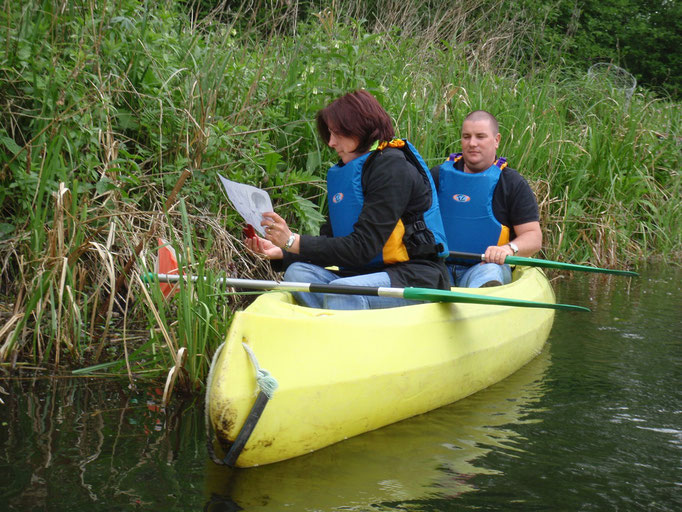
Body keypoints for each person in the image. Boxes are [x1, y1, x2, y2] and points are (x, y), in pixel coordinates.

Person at [245, 89, 450, 310]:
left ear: (360, 129)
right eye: (330, 134)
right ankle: (336, 319)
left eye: (337, 133)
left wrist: (292, 241)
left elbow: (363, 247)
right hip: (360, 275)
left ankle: (340, 330)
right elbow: (332, 242)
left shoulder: (392, 167)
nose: (331, 142)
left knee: (342, 292)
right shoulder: (348, 173)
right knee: (297, 274)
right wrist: (282, 252)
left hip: (414, 275)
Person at [430, 110, 542, 288]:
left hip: (483, 266)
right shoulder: (436, 176)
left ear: (496, 140)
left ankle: (481, 304)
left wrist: (507, 249)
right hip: (440, 266)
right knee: (423, 272)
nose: (472, 143)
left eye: (480, 137)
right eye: (466, 137)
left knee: (491, 272)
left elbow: (533, 237)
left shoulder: (512, 183)